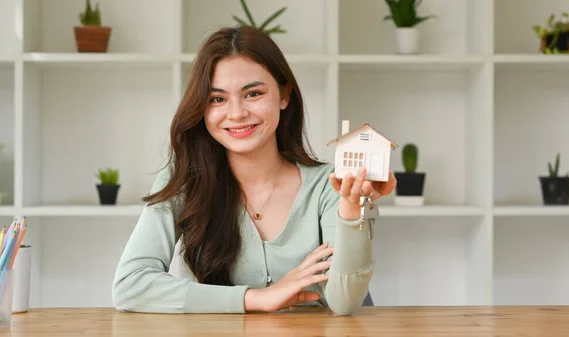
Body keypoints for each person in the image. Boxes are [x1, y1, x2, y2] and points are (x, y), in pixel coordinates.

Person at [111, 25, 396, 315]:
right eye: (217, 99)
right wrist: (258, 298)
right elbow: (130, 286)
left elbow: (344, 302)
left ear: (284, 95)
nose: (236, 113)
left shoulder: (329, 184)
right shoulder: (184, 177)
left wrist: (351, 210)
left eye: (253, 94)